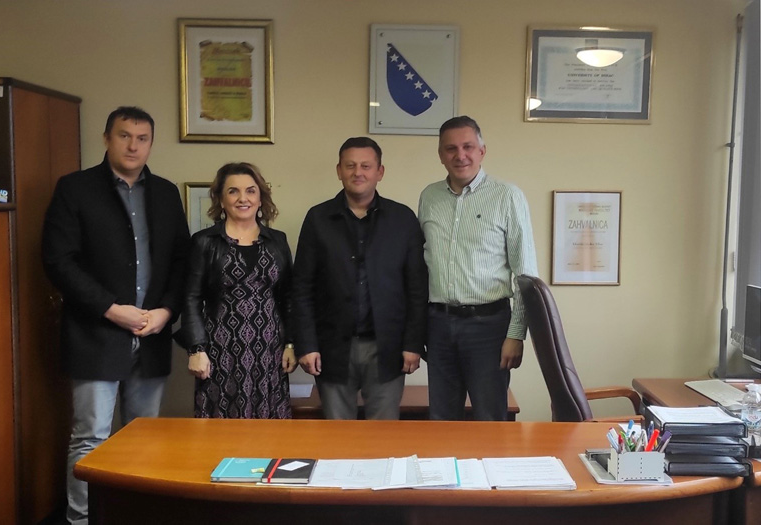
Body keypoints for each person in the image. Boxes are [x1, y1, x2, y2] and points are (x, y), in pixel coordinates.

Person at [42, 106, 190, 524]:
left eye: (142, 138)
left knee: (145, 436)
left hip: (152, 332)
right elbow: (58, 260)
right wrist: (110, 309)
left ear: (151, 144)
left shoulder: (164, 193)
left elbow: (181, 261)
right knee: (91, 438)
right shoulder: (75, 189)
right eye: (124, 136)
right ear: (107, 138)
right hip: (95, 332)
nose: (133, 146)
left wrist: (166, 311)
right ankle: (81, 520)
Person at [292, 137, 428, 420]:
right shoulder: (318, 219)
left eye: (366, 166)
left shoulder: (402, 219)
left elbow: (416, 288)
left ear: (380, 172)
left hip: (387, 347)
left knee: (383, 435)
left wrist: (413, 344)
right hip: (331, 347)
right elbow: (302, 287)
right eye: (350, 165)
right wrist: (306, 344)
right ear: (339, 170)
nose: (358, 172)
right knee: (337, 434)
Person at [418, 116, 538, 421]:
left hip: (489, 328)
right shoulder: (429, 197)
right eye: (451, 149)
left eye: (468, 147)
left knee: (490, 419)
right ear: (441, 155)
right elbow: (421, 265)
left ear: (482, 151)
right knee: (441, 420)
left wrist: (516, 334)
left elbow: (525, 276)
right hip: (438, 325)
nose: (460, 155)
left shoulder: (507, 196)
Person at [180, 162, 296, 419]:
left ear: (260, 198)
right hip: (220, 352)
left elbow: (288, 297)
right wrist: (196, 350)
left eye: (251, 191)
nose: (243, 198)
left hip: (270, 352)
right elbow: (190, 298)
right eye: (233, 191)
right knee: (221, 428)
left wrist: (290, 343)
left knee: (270, 430)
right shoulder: (204, 241)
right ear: (221, 199)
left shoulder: (277, 240)